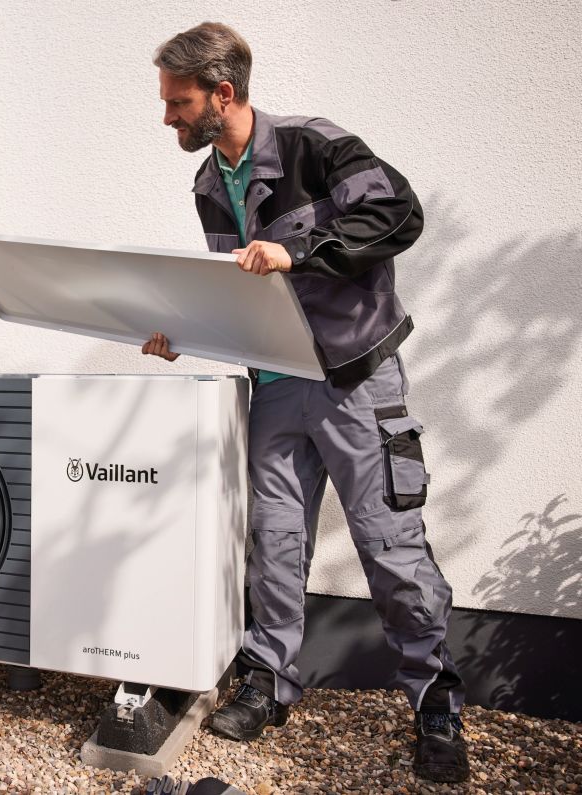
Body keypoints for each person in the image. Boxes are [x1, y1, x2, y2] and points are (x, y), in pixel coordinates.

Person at [141, 22, 469, 784]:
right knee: (275, 545)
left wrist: (300, 251)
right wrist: (184, 334)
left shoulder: (312, 147)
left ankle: (435, 703)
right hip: (276, 385)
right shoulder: (207, 185)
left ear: (223, 94)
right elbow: (242, 292)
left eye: (178, 102)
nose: (167, 117)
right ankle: (268, 681)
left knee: (391, 548)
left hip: (356, 382)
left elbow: (398, 214)